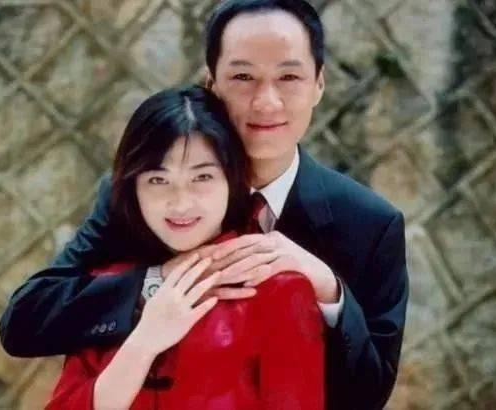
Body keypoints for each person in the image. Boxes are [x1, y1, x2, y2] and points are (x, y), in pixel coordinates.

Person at [0, 1, 408, 409]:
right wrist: (158, 283)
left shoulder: (368, 223)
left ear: (319, 83)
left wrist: (328, 288)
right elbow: (23, 324)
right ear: (211, 84)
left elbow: (368, 397)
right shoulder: (142, 195)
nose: (266, 102)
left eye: (289, 77)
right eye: (243, 76)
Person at [45, 85, 324, 409]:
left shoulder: (278, 290)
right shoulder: (107, 288)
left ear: (234, 179)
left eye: (202, 178)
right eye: (158, 180)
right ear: (132, 187)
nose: (180, 203)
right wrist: (143, 342)